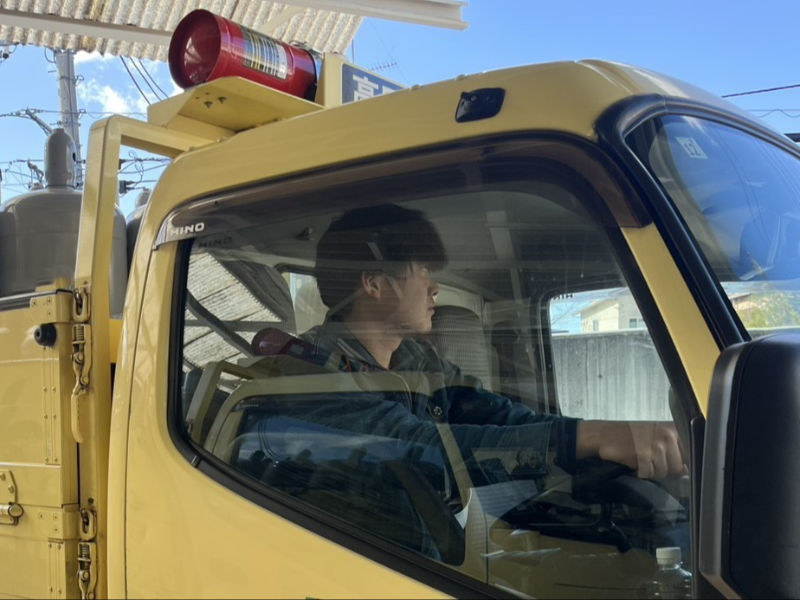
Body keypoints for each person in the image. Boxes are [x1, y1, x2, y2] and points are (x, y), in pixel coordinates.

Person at [301, 203, 685, 481]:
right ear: (374, 283)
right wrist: (591, 437)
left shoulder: (418, 361)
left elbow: (501, 417)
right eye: (423, 271)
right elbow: (414, 446)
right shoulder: (309, 371)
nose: (434, 288)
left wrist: (610, 433)